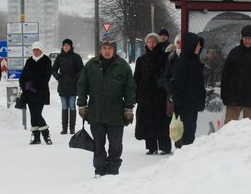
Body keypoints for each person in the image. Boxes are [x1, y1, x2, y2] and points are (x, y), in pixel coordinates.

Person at [77, 35, 136, 178]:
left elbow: (130, 88)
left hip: (116, 114)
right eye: (104, 48)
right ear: (100, 49)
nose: (107, 51)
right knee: (98, 145)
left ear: (114, 49)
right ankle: (100, 171)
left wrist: (129, 108)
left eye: (110, 48)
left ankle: (114, 171)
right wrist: (82, 104)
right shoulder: (91, 65)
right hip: (96, 113)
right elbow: (82, 85)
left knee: (115, 146)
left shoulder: (123, 66)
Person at [134, 33, 171, 155]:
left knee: (161, 121)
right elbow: (137, 78)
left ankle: (165, 147)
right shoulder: (141, 60)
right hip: (145, 95)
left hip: (159, 95)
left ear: (158, 43)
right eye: (149, 42)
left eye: (154, 42)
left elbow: (167, 75)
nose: (151, 44)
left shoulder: (164, 58)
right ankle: (151, 147)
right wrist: (136, 94)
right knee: (147, 121)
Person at [171, 32, 206, 149]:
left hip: (192, 104)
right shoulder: (184, 62)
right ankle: (183, 158)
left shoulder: (194, 60)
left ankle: (185, 155)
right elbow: (178, 86)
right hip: (186, 106)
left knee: (190, 133)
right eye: (197, 45)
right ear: (190, 46)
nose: (200, 47)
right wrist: (179, 104)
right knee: (186, 135)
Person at [19, 41, 53, 144]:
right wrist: (25, 85)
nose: (36, 51)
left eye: (37, 49)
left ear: (41, 50)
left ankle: (46, 135)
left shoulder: (46, 60)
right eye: (34, 49)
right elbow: (23, 77)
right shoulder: (29, 61)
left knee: (37, 114)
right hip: (29, 93)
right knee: (33, 115)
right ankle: (36, 138)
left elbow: (46, 77)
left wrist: (33, 85)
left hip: (40, 93)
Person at [52, 39, 84, 134]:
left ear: (71, 46)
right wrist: (58, 78)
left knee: (72, 106)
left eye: (68, 45)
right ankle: (64, 128)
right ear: (62, 46)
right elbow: (53, 70)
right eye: (64, 45)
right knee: (64, 106)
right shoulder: (59, 57)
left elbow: (82, 70)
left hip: (73, 85)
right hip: (62, 85)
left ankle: (72, 128)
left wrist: (75, 78)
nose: (66, 47)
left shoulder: (76, 57)